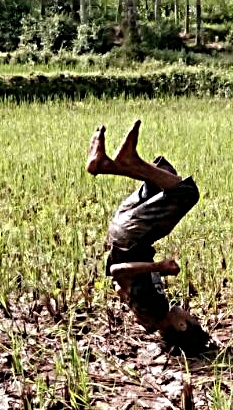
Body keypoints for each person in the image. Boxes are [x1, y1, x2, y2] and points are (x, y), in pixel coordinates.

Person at [86, 119, 211, 356]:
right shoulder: (154, 313)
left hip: (130, 236)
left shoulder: (153, 312)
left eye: (192, 319)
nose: (189, 313)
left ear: (181, 326)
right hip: (125, 232)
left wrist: (159, 266)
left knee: (186, 193)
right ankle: (106, 164)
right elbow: (126, 282)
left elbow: (118, 272)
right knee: (164, 174)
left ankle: (123, 164)